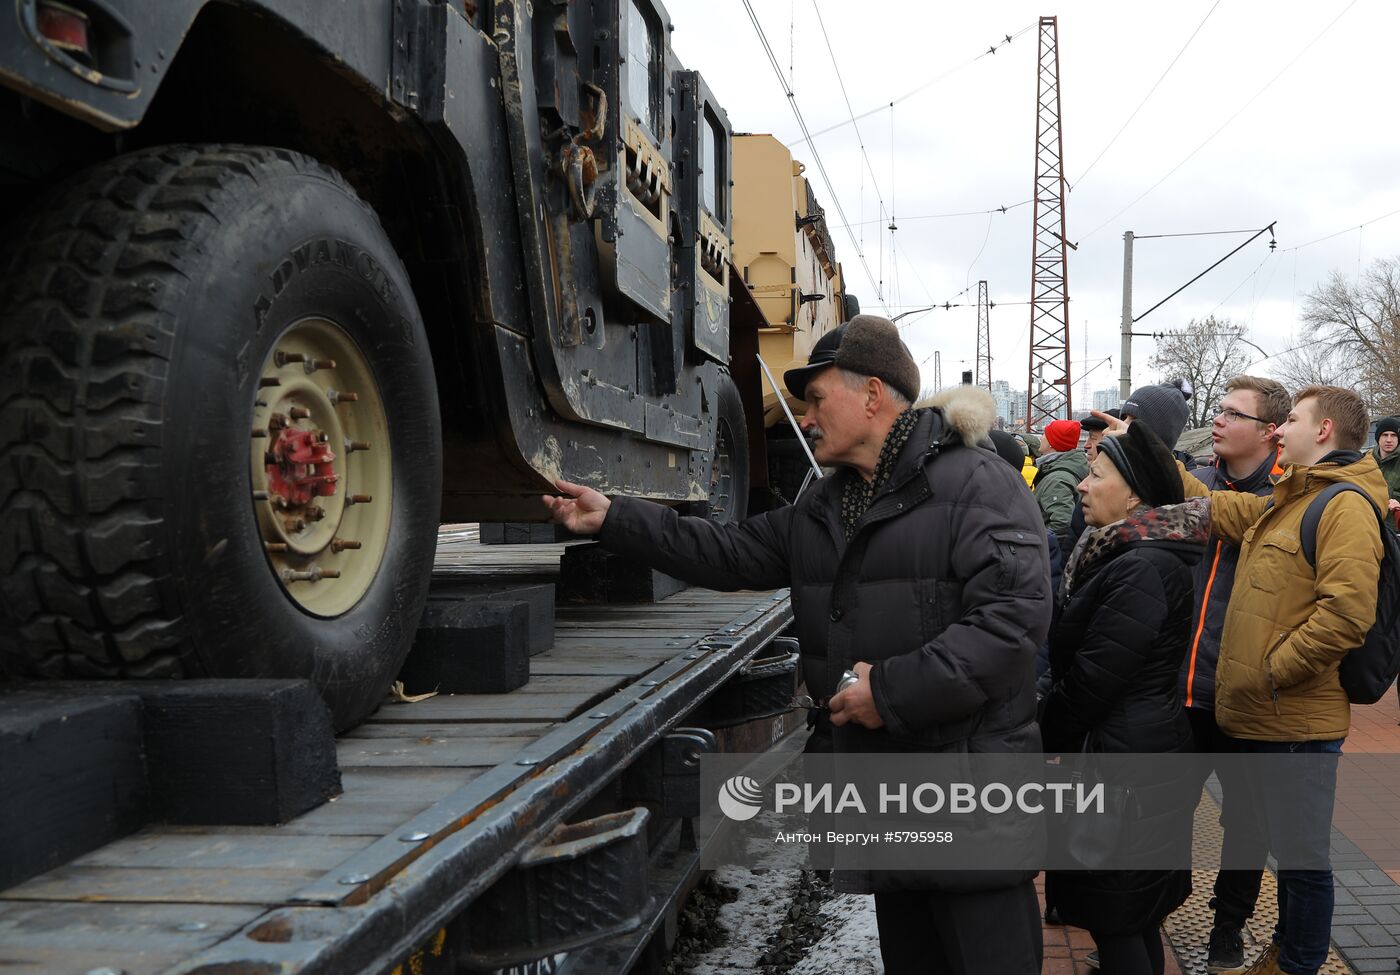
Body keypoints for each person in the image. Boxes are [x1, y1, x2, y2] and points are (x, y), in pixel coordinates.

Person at [543, 315, 1052, 975]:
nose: (805, 418)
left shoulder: (979, 485)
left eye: (816, 399)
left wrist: (890, 692)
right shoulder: (826, 506)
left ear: (873, 394)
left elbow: (1011, 626)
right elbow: (726, 552)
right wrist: (615, 517)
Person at [1098, 385, 1388, 975]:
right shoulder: (1296, 497)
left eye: (1294, 422)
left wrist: (1270, 670)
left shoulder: (1343, 505)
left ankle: (1296, 960)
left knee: (1301, 858)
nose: (1282, 432)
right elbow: (1213, 506)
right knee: (1290, 848)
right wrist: (1148, 450)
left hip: (1292, 713)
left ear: (1324, 429)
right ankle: (1286, 953)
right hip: (1263, 710)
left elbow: (1347, 612)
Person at [1040, 421, 1206, 975]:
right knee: (1132, 916)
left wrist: (1044, 728)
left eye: (1094, 474)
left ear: (1134, 492)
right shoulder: (1132, 554)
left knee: (1117, 920)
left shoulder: (1140, 566)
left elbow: (1094, 679)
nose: (1082, 486)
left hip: (1123, 765)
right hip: (1134, 756)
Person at [1180, 376, 1290, 972]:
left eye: (1231, 412)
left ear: (1270, 432)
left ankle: (1228, 926)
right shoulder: (1201, 478)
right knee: (1163, 809)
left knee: (1247, 822)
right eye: (1217, 409)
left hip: (1245, 696)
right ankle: (1144, 921)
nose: (1216, 420)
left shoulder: (1289, 497)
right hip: (1180, 685)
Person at [1035, 418, 1088, 555]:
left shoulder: (1057, 480)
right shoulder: (1066, 468)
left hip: (1048, 556)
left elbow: (1061, 524)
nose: (1041, 437)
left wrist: (1036, 546)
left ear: (1052, 443)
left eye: (1045, 434)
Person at [1372, 415, 1400, 530]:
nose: (1389, 440)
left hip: (1395, 531)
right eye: (1384, 435)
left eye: (1393, 435)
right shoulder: (1365, 461)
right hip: (1370, 526)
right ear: (1378, 437)